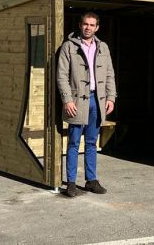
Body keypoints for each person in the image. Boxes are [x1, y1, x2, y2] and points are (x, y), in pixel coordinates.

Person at [57, 12, 117, 197]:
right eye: (85, 24)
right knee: (74, 142)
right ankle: (72, 183)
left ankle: (91, 180)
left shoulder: (103, 47)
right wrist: (67, 99)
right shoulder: (68, 46)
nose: (88, 28)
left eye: (92, 25)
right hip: (77, 101)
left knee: (92, 142)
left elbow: (109, 74)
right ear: (80, 25)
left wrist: (111, 97)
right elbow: (61, 76)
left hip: (97, 100)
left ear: (97, 28)